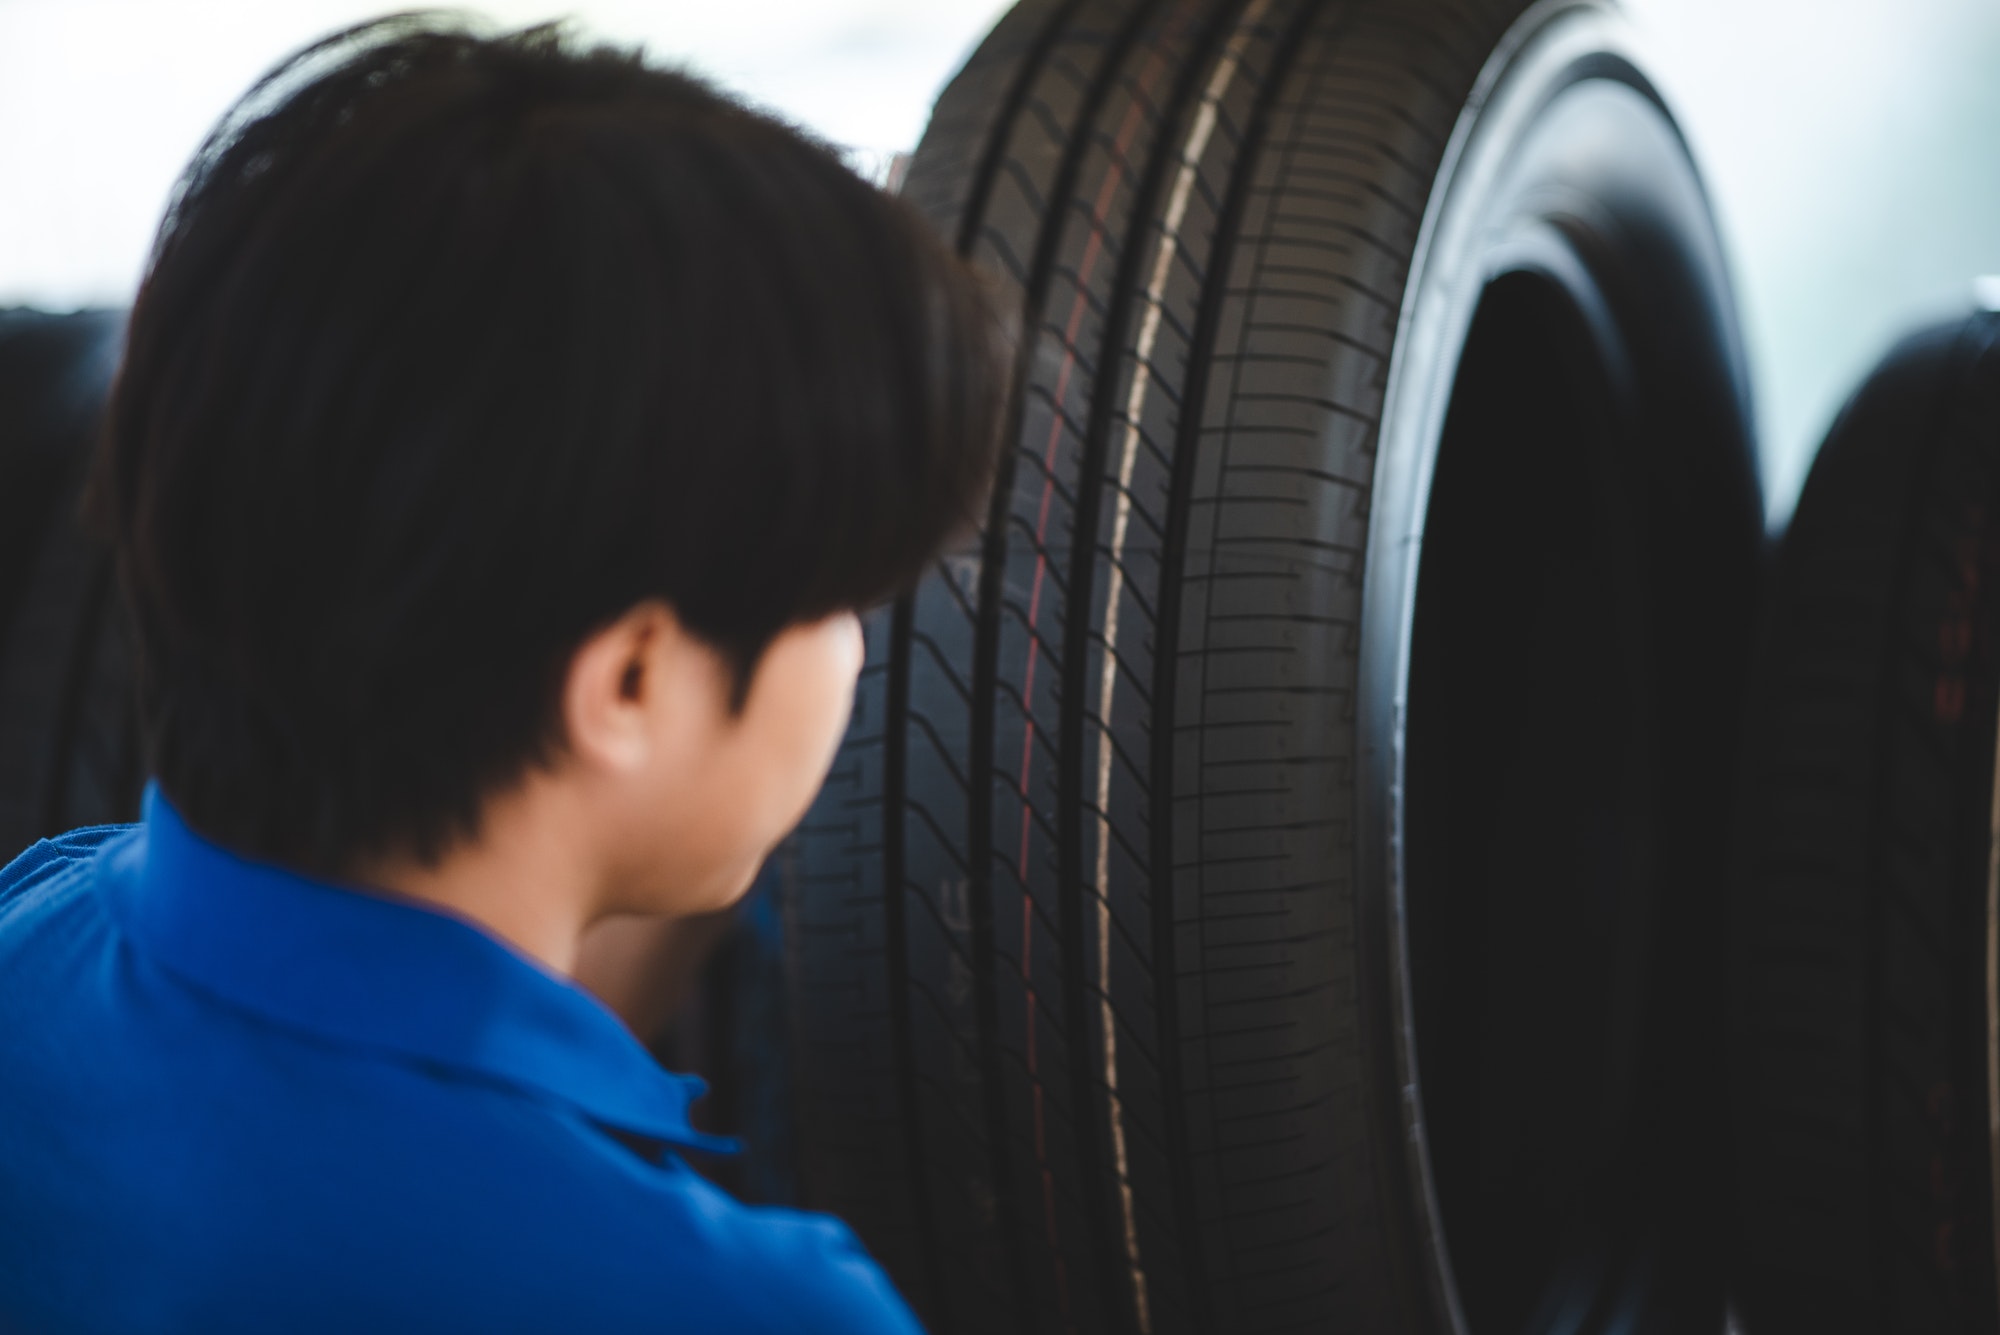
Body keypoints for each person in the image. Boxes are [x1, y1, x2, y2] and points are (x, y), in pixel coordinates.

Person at [0, 16, 1003, 1333]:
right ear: (630, 685)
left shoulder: (37, 933)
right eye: (841, 601)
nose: (858, 654)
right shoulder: (734, 1307)